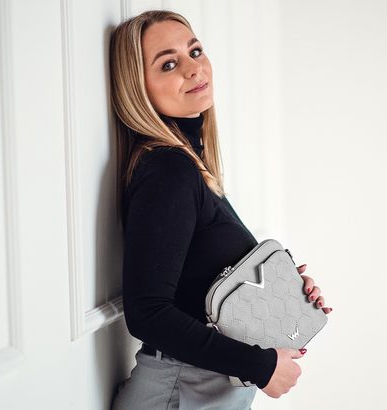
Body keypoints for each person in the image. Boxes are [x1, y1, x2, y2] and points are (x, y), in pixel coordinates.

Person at [107, 10, 333, 409]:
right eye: (169, 64)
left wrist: (276, 296)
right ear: (137, 87)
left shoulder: (191, 166)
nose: (193, 68)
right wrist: (260, 366)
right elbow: (147, 312)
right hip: (182, 389)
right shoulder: (168, 169)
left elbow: (194, 287)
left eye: (195, 51)